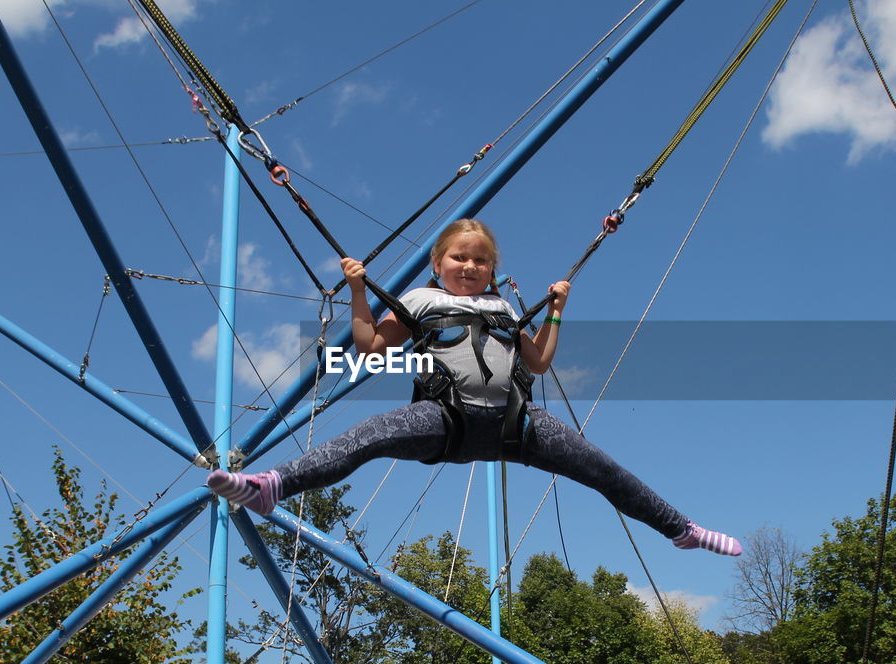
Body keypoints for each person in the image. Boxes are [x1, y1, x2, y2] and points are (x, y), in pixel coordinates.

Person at [208, 218, 741, 556]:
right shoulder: (419, 300)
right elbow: (372, 348)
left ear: (492, 270)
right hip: (445, 418)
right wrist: (357, 290)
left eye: (480, 260)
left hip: (516, 423)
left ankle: (681, 529)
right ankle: (274, 485)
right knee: (369, 435)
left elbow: (535, 361)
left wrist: (555, 311)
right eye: (459, 258)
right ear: (438, 265)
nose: (469, 266)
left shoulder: (504, 307)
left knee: (601, 467)